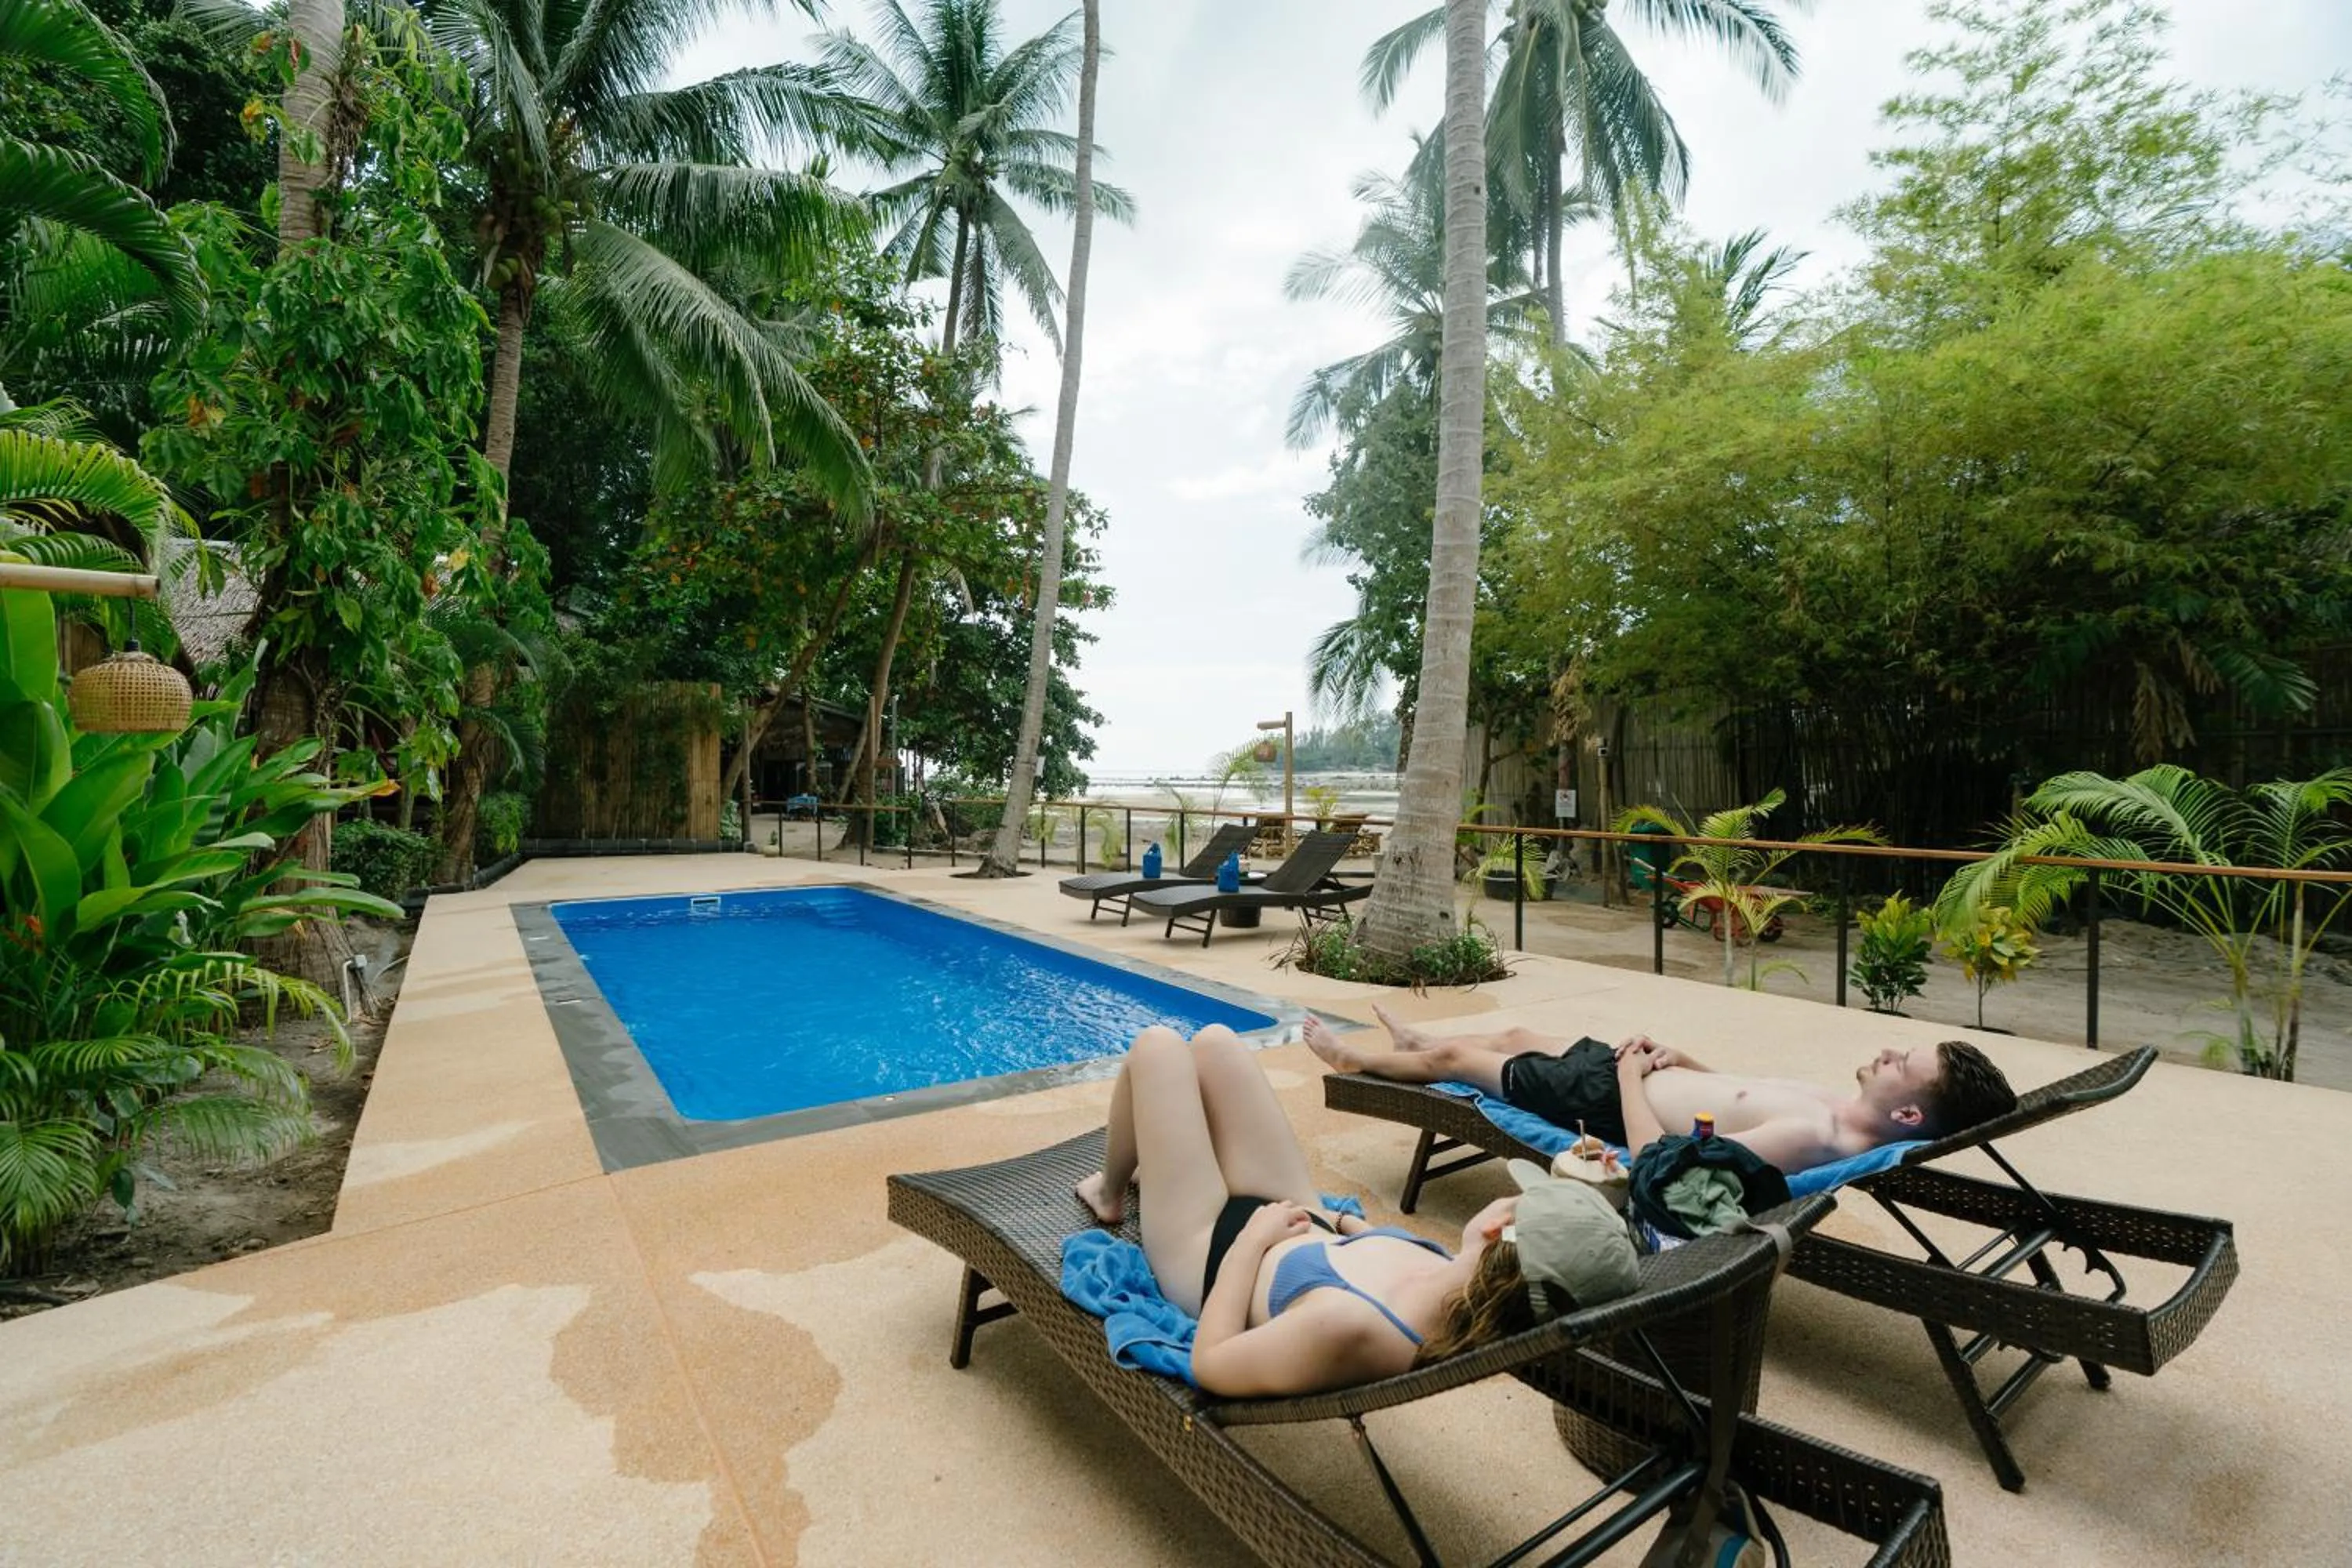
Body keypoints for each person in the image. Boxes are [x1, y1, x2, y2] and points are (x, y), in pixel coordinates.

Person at [1076, 1024, 1636, 1399]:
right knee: (1217, 1042)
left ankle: (1111, 1190)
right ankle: (1173, 1169)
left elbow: (1212, 1363)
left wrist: (1251, 1241)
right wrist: (1345, 1224)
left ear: (1499, 1226)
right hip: (1304, 1221)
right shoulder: (1465, 1280)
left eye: (1519, 1195)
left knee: (1157, 1047)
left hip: (1212, 1255)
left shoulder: (1350, 1328)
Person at [1303, 1004, 2018, 1175]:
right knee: (1516, 1035)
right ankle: (1410, 1048)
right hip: (1633, 1074)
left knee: (1460, 1057)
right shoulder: (1835, 1103)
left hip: (1606, 1102)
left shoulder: (1817, 1138)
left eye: (1903, 1062)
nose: (1889, 1050)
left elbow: (1662, 1167)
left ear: (1908, 1111)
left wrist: (1627, 1078)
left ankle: (1356, 1063)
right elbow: (1728, 1097)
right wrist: (1682, 1059)